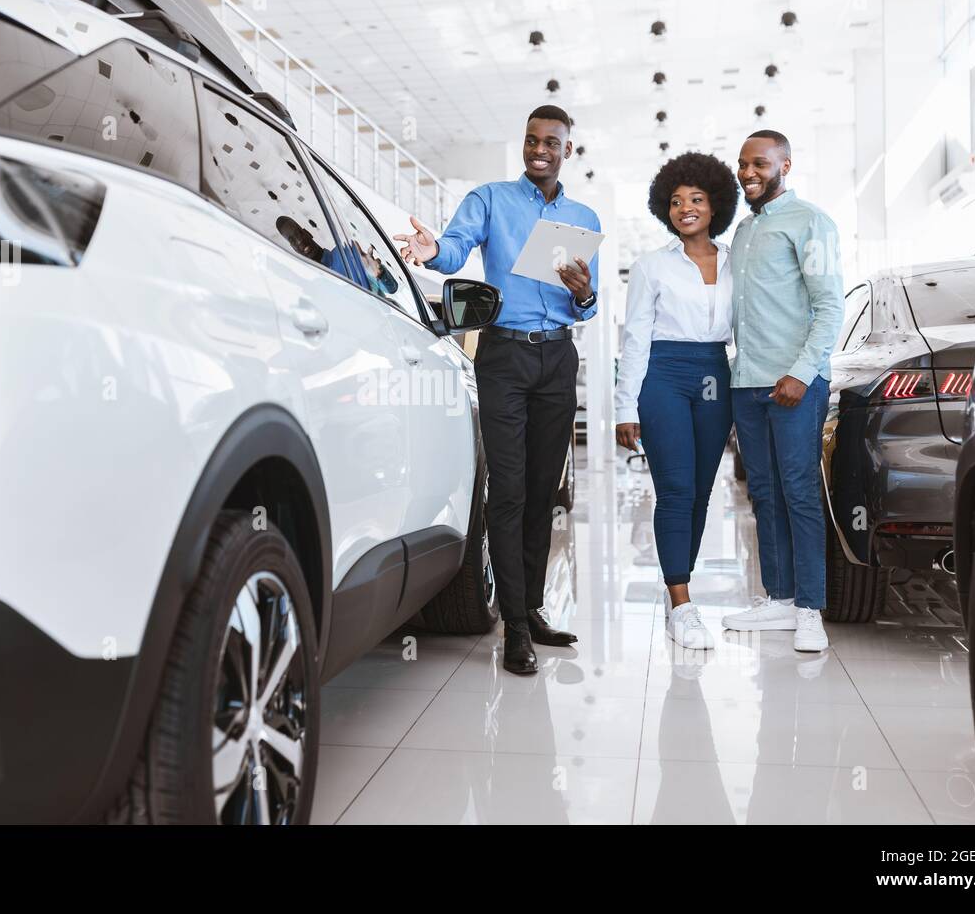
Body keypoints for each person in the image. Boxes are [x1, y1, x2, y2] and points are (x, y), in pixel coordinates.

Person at [394, 104, 599, 675]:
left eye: (551, 143)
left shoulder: (581, 216)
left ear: (567, 151)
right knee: (507, 489)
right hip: (504, 354)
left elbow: (591, 301)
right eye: (532, 139)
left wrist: (583, 292)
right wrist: (433, 250)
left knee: (542, 491)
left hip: (559, 357)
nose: (540, 150)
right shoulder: (490, 200)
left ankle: (531, 609)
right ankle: (512, 626)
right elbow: (457, 248)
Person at [719, 130, 844, 652]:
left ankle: (811, 609)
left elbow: (829, 306)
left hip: (794, 383)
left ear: (785, 165)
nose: (749, 172)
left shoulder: (810, 221)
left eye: (760, 164)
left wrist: (800, 371)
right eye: (743, 164)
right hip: (746, 383)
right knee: (764, 493)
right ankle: (779, 598)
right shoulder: (744, 231)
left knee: (799, 492)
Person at [613, 152, 739, 649]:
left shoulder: (736, 260)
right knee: (676, 490)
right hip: (662, 375)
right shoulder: (650, 266)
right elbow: (635, 338)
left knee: (703, 493)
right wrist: (626, 407)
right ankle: (682, 603)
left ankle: (678, 582)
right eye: (675, 201)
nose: (685, 208)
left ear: (716, 204)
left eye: (696, 198)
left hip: (714, 373)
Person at [274, 215, 373, 291]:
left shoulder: (347, 253)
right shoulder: (315, 288)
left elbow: (387, 288)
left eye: (299, 233)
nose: (300, 241)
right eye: (293, 241)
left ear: (308, 233)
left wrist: (380, 275)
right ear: (294, 250)